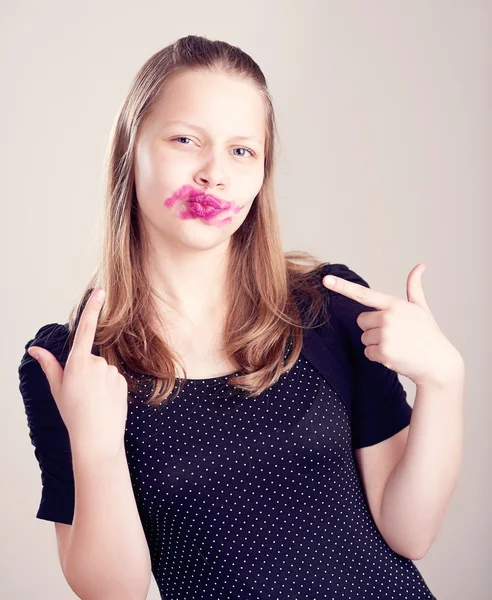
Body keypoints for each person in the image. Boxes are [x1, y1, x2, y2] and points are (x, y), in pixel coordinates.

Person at [18, 35, 437, 599]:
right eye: (187, 140)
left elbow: (410, 534)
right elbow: (113, 593)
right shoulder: (73, 365)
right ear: (130, 149)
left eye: (243, 151)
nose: (214, 174)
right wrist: (96, 446)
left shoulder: (329, 307)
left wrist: (443, 381)